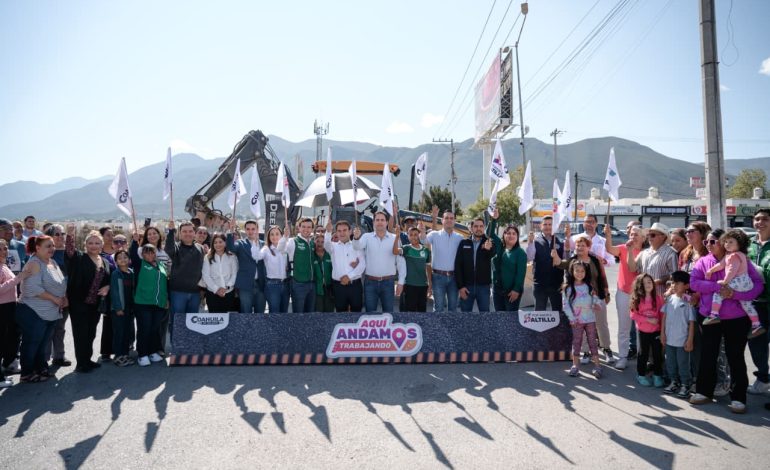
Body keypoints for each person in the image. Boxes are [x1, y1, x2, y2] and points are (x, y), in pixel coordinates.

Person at [690, 229, 764, 414]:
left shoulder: (741, 259)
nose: (709, 245)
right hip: (709, 317)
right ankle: (703, 391)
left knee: (735, 357)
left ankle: (738, 398)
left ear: (724, 242)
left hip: (736, 319)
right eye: (706, 242)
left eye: (713, 241)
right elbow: (694, 283)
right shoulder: (703, 261)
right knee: (708, 355)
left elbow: (758, 285)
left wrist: (735, 294)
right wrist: (718, 287)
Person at [553, 235, 612, 364]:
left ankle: (606, 348)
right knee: (583, 327)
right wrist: (555, 256)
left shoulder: (595, 260)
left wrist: (606, 293)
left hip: (596, 298)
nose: (580, 247)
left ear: (588, 247)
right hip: (578, 301)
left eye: (583, 245)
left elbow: (602, 277)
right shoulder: (572, 260)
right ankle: (586, 352)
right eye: (578, 245)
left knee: (601, 325)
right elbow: (559, 263)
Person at [17, 235, 66, 382]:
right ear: (37, 248)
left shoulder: (53, 262)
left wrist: (63, 297)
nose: (51, 249)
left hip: (50, 311)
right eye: (47, 246)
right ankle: (27, 373)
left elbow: (61, 282)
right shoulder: (35, 263)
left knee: (43, 343)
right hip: (33, 311)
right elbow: (32, 288)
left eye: (52, 245)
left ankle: (41, 368)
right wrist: (55, 299)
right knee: (32, 342)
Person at [65, 226, 111, 372]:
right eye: (90, 243)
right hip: (79, 304)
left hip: (95, 305)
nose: (94, 246)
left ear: (102, 245)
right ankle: (81, 363)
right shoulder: (79, 258)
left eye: (97, 243)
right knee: (81, 334)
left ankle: (88, 359)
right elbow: (70, 252)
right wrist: (70, 235)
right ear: (85, 245)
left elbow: (108, 280)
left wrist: (107, 287)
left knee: (91, 333)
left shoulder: (105, 261)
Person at [703, 229, 765, 338]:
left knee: (719, 292)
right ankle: (756, 325)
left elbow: (732, 270)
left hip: (739, 280)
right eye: (726, 242)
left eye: (731, 242)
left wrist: (725, 281)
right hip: (745, 283)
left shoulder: (734, 256)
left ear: (740, 243)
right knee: (746, 304)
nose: (727, 244)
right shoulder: (737, 255)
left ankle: (714, 314)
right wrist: (711, 270)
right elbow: (721, 265)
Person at [605, 224, 645, 370]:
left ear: (643, 238)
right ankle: (623, 357)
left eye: (636, 235)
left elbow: (632, 268)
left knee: (642, 328)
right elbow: (609, 249)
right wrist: (608, 236)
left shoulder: (645, 252)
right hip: (623, 292)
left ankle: (643, 357)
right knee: (624, 327)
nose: (633, 237)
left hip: (640, 295)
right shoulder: (623, 248)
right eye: (631, 234)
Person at [353, 210, 405, 312]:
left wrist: (401, 282)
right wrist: (355, 237)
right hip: (370, 283)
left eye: (382, 220)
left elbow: (400, 262)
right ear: (373, 222)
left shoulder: (395, 238)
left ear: (386, 222)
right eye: (377, 220)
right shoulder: (366, 237)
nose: (380, 222)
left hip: (388, 283)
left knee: (389, 315)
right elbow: (356, 246)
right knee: (370, 315)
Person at [130, 235, 169, 367]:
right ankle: (142, 354)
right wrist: (134, 242)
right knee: (144, 329)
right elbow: (133, 254)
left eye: (152, 251)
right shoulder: (139, 264)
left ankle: (152, 351)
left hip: (159, 303)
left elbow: (165, 283)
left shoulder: (161, 265)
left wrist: (166, 299)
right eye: (146, 251)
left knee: (154, 329)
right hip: (143, 303)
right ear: (142, 254)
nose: (149, 254)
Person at [165, 221, 205, 342]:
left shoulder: (200, 248)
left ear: (194, 233)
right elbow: (169, 250)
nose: (188, 234)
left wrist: (203, 291)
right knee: (177, 322)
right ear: (180, 234)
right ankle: (176, 348)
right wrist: (171, 231)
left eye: (190, 231)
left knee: (192, 322)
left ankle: (189, 349)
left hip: (195, 293)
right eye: (184, 231)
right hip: (178, 292)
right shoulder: (176, 247)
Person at [563, 261, 603, 378]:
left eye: (582, 271)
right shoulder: (568, 288)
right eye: (577, 271)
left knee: (592, 342)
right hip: (576, 321)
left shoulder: (589, 286)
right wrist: (572, 318)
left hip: (590, 319)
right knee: (577, 343)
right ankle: (575, 366)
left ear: (586, 272)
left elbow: (596, 300)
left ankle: (597, 366)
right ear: (572, 271)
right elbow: (565, 305)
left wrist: (597, 304)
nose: (580, 273)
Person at [661, 270, 696, 399]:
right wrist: (662, 334)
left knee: (683, 364)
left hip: (682, 341)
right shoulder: (669, 299)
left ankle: (685, 385)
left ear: (686, 286)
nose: (673, 285)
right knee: (670, 362)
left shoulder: (689, 301)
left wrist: (690, 339)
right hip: (669, 339)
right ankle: (674, 382)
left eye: (677, 283)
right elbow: (664, 317)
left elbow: (692, 322)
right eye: (672, 283)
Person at [747, 208, 770, 402]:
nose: (760, 222)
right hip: (754, 304)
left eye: (765, 219)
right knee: (756, 344)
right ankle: (763, 379)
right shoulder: (749, 244)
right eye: (757, 219)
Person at [630, 273, 665, 387]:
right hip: (643, 331)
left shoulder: (659, 299)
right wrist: (647, 319)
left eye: (649, 282)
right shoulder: (637, 299)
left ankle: (657, 375)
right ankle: (641, 375)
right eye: (644, 283)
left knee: (657, 354)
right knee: (643, 354)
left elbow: (662, 315)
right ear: (640, 286)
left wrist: (662, 331)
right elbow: (633, 315)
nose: (648, 285)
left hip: (656, 331)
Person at [453, 217, 495, 312]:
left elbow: (492, 253)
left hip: (484, 287)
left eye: (481, 226)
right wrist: (461, 286)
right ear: (471, 228)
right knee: (466, 318)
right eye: (475, 226)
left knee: (485, 317)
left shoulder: (489, 242)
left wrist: (489, 249)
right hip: (467, 287)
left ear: (484, 228)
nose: (478, 228)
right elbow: (458, 265)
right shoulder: (463, 243)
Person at [44, 224, 71, 367]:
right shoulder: (47, 254)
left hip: (66, 299)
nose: (60, 237)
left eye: (62, 234)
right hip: (51, 298)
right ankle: (44, 360)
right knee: (48, 329)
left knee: (60, 328)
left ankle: (59, 356)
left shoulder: (69, 252)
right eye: (57, 234)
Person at [426, 207, 464, 312]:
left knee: (453, 308)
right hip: (437, 277)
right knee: (438, 308)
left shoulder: (460, 238)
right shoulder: (433, 235)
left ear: (455, 221)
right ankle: (437, 329)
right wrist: (422, 230)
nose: (449, 220)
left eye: (452, 218)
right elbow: (423, 241)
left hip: (454, 278)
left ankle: (451, 329)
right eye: (446, 218)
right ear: (442, 220)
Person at [226, 220, 267, 314]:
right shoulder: (240, 243)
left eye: (253, 229)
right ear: (245, 230)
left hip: (261, 284)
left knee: (260, 314)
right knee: (245, 313)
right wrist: (230, 232)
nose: (250, 231)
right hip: (245, 285)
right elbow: (230, 248)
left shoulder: (264, 244)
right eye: (248, 229)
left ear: (257, 230)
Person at [525, 215, 565, 312]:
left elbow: (565, 261)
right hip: (540, 284)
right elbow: (529, 258)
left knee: (557, 313)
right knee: (539, 313)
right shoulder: (535, 242)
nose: (548, 227)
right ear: (541, 226)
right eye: (545, 224)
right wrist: (530, 243)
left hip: (556, 284)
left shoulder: (561, 242)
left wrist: (557, 257)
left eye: (550, 224)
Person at [324, 220, 365, 312]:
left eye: (344, 230)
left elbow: (362, 265)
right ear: (336, 232)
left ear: (350, 231)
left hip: (355, 286)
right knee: (340, 313)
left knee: (356, 312)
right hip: (338, 287)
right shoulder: (333, 247)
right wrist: (328, 231)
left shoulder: (357, 245)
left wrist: (349, 277)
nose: (342, 233)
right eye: (339, 231)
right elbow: (326, 244)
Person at [278, 217, 316, 313]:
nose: (306, 229)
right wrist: (284, 237)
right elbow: (280, 249)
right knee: (298, 315)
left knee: (310, 313)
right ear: (299, 228)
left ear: (312, 229)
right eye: (303, 227)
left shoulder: (312, 242)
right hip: (298, 284)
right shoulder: (293, 241)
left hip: (311, 284)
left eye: (309, 227)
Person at [0, 239, 25, 385]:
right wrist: (17, 279)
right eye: (2, 249)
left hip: (8, 306)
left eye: (6, 248)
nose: (5, 251)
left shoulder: (3, 265)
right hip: (2, 307)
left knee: (6, 340)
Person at [489, 219, 526, 312]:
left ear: (517, 237)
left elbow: (520, 274)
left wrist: (516, 290)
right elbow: (489, 233)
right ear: (504, 235)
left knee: (510, 321)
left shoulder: (520, 253)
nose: (511, 235)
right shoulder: (500, 246)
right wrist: (494, 219)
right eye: (508, 233)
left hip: (512, 292)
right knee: (499, 318)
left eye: (514, 233)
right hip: (497, 290)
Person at [393, 223, 431, 312]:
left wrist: (430, 284)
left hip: (423, 286)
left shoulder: (426, 250)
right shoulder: (406, 248)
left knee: (422, 313)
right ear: (408, 236)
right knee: (409, 313)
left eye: (415, 235)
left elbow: (428, 268)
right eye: (411, 235)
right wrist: (397, 236)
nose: (413, 237)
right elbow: (395, 251)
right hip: (409, 286)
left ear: (419, 235)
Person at [252, 226, 290, 313]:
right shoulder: (266, 249)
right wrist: (255, 242)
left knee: (284, 313)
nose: (274, 236)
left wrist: (286, 236)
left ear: (281, 235)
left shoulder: (286, 247)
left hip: (286, 284)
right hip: (272, 286)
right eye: (272, 234)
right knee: (274, 313)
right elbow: (256, 256)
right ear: (268, 237)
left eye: (277, 234)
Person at [110, 249, 135, 367]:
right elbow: (114, 292)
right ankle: (118, 356)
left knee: (127, 332)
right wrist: (118, 308)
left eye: (125, 257)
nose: (123, 259)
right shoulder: (116, 274)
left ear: (129, 260)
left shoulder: (131, 272)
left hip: (130, 308)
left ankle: (125, 354)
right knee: (119, 332)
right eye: (119, 258)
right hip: (119, 309)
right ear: (116, 261)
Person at [202, 233, 239, 313]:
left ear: (225, 243)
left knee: (227, 319)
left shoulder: (232, 256)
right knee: (214, 319)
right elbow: (206, 275)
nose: (218, 244)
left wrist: (227, 287)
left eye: (220, 242)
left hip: (228, 293)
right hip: (212, 293)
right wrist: (217, 289)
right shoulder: (208, 257)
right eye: (215, 242)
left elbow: (234, 274)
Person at [312, 226, 335, 312]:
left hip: (329, 290)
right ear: (314, 242)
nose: (320, 243)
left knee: (329, 312)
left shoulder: (330, 255)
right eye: (318, 241)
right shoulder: (311, 255)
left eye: (322, 242)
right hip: (317, 290)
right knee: (318, 313)